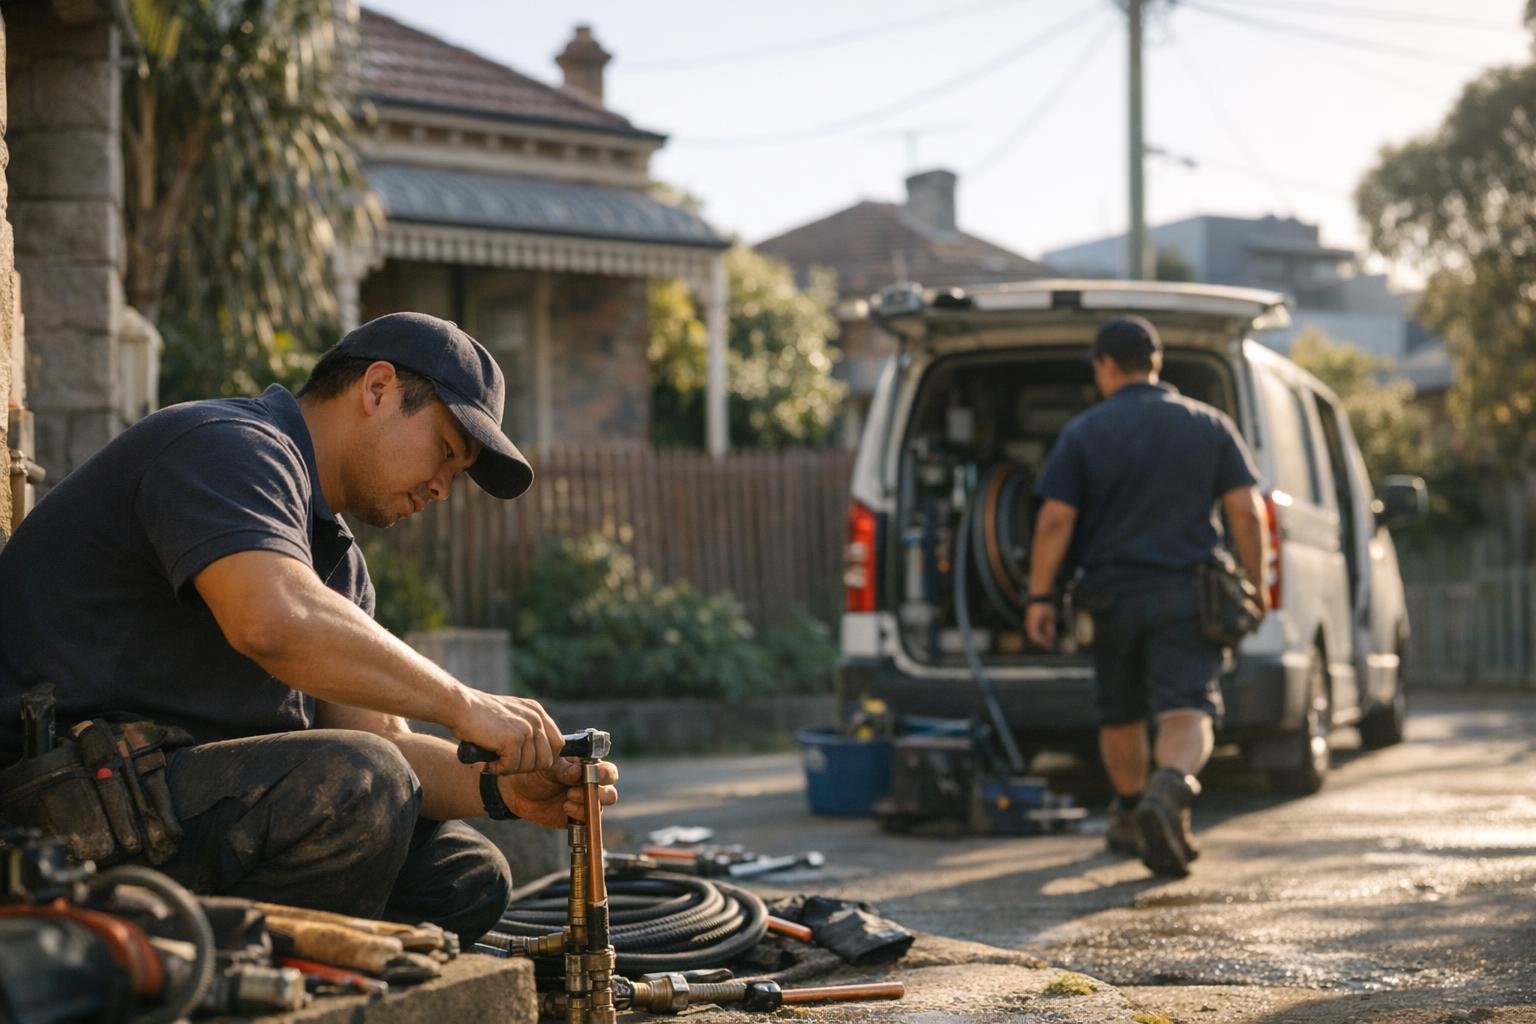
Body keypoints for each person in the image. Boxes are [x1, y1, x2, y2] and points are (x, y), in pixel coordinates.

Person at [0, 312, 616, 942]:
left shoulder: (337, 563)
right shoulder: (228, 445)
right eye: (445, 453)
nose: (441, 488)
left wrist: (504, 789)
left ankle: (243, 975)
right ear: (376, 389)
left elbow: (390, 745)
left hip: (169, 814)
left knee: (463, 874)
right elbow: (274, 621)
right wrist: (464, 704)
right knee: (361, 784)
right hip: (56, 817)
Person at [1024, 316, 1267, 877]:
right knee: (1188, 707)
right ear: (1156, 362)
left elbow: (1056, 520)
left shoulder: (1083, 432)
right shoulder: (1209, 424)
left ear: (1106, 365)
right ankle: (1169, 791)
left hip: (1110, 598)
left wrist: (1040, 597)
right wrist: (1255, 582)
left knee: (1121, 713)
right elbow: (1245, 513)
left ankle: (1136, 811)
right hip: (1188, 594)